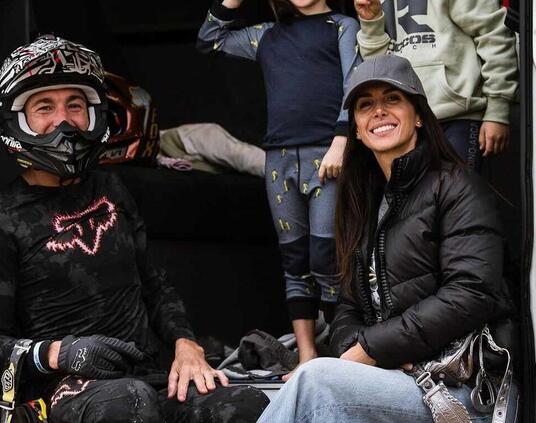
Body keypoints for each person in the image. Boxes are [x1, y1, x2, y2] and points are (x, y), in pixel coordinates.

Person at [0, 35, 269, 423]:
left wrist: (187, 345)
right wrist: (57, 353)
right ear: (17, 120)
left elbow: (155, 286)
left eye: (75, 105)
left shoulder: (112, 189)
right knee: (128, 402)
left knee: (245, 404)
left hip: (145, 377)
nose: (64, 120)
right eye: (44, 107)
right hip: (62, 391)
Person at [257, 54, 517, 422]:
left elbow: (471, 293)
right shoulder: (365, 203)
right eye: (365, 105)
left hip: (463, 390)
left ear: (419, 116)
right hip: (398, 377)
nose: (379, 111)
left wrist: (372, 349)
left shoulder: (458, 187)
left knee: (315, 382)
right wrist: (363, 350)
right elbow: (347, 308)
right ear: (357, 131)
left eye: (392, 99)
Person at [197, 0, 361, 379]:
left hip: (328, 155)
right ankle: (307, 355)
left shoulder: (342, 26)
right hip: (280, 159)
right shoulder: (267, 35)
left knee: (326, 256)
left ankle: (344, 353)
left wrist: (341, 140)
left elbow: (354, 85)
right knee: (294, 260)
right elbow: (210, 39)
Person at [353, 0, 518, 171]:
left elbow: (493, 35)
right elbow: (378, 71)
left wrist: (497, 111)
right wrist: (371, 23)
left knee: (458, 187)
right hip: (404, 122)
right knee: (414, 189)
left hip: (457, 116)